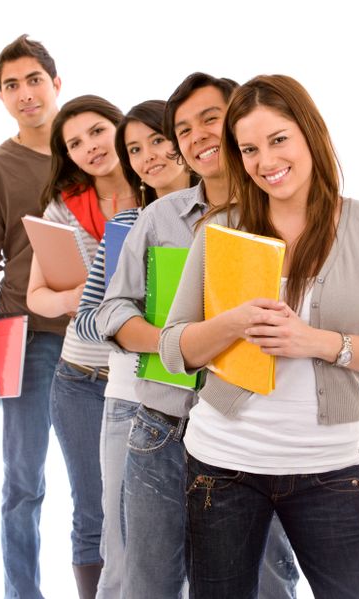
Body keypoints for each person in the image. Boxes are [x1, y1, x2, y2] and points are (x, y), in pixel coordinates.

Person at [159, 73, 359, 599]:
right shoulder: (221, 230)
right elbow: (172, 348)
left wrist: (317, 342)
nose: (265, 162)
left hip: (329, 469)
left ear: (310, 133)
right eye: (248, 149)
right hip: (221, 466)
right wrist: (230, 323)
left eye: (278, 140)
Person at [94, 73, 299, 599]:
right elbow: (113, 309)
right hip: (162, 426)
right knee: (150, 582)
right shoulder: (159, 217)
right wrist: (182, 340)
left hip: (254, 430)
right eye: (183, 129)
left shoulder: (283, 212)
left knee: (268, 580)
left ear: (238, 123)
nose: (198, 135)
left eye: (211, 118)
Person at [74, 99, 198, 599]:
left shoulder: (235, 215)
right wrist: (132, 320)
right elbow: (88, 320)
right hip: (134, 400)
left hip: (213, 402)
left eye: (158, 140)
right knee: (125, 556)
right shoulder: (128, 224)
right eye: (135, 149)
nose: (149, 155)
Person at [0, 35, 67, 599]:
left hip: (105, 340)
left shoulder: (94, 150)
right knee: (24, 485)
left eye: (33, 79)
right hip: (29, 341)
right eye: (11, 85)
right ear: (1, 97)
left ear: (57, 82)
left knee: (105, 485)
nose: (25, 93)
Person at [26, 94, 138, 599]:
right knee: (91, 510)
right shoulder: (61, 208)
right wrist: (81, 296)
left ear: (119, 128)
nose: (90, 147)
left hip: (142, 379)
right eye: (74, 143)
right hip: (79, 379)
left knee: (145, 511)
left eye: (97, 131)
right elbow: (37, 298)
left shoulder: (158, 193)